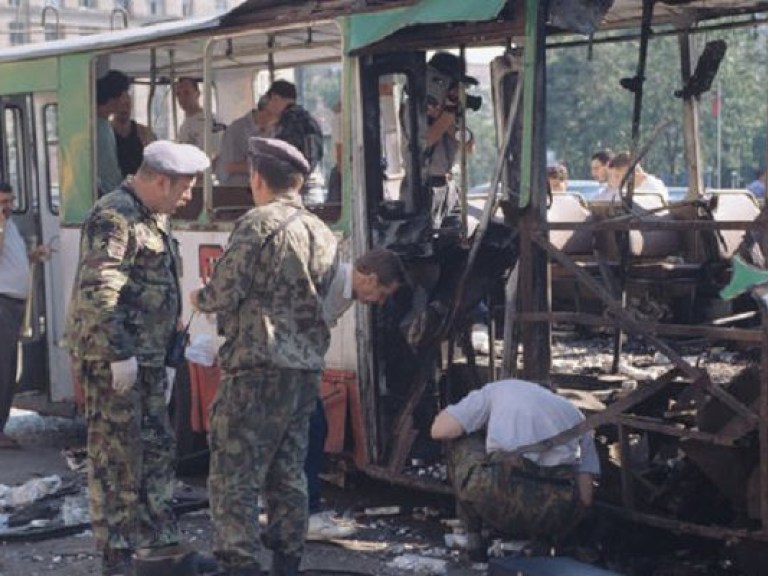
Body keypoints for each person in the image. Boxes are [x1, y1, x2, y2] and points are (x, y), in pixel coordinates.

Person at [189, 137, 337, 576]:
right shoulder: (321, 230)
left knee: (234, 473)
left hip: (256, 367)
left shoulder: (257, 224)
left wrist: (200, 297)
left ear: (256, 178)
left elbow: (224, 291)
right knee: (289, 470)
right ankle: (288, 560)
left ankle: (240, 564)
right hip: (304, 370)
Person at [65, 141, 211, 576]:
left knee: (157, 448)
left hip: (147, 359)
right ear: (161, 181)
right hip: (114, 361)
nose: (188, 196)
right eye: (184, 188)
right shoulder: (115, 216)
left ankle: (159, 545)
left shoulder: (154, 216)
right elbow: (100, 291)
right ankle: (118, 558)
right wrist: (119, 354)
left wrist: (168, 358)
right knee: (117, 458)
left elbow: (160, 288)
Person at [431, 379, 600, 561]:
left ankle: (473, 539)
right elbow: (586, 497)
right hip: (552, 514)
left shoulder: (502, 389)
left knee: (464, 439)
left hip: (497, 499)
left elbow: (439, 430)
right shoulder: (577, 416)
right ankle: (543, 542)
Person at [303, 249, 407, 540]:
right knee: (312, 431)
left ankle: (301, 510)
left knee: (313, 430)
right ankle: (304, 514)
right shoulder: (332, 280)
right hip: (290, 369)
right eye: (382, 294)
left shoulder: (346, 292)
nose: (380, 302)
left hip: (304, 367)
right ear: (370, 279)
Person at [0, 182, 51, 450]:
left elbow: (12, 260)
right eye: (2, 202)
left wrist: (34, 256)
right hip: (2, 303)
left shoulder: (10, 227)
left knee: (9, 368)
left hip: (14, 305)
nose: (7, 207)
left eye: (10, 201)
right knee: (3, 368)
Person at [264, 79, 324, 175]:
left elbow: (281, 157)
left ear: (275, 98)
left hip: (291, 183)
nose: (268, 105)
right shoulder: (310, 120)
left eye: (269, 100)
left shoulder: (287, 122)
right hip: (314, 179)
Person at [215, 95, 275, 186]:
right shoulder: (236, 130)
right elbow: (228, 166)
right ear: (265, 112)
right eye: (276, 115)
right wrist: (265, 167)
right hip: (236, 190)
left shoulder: (272, 131)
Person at [96, 69, 132, 196]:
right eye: (125, 94)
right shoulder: (96, 129)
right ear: (117, 97)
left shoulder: (105, 125)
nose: (127, 99)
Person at [175, 76, 226, 155]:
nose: (182, 98)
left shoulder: (211, 120)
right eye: (178, 94)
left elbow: (218, 153)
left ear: (197, 94)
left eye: (186, 93)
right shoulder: (184, 126)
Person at [594, 151, 668, 202]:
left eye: (617, 176)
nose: (618, 181)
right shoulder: (622, 190)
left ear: (635, 174)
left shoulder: (653, 187)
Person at [112, 91, 156, 178]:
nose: (124, 109)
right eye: (120, 105)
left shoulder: (144, 133)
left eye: (127, 105)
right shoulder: (107, 133)